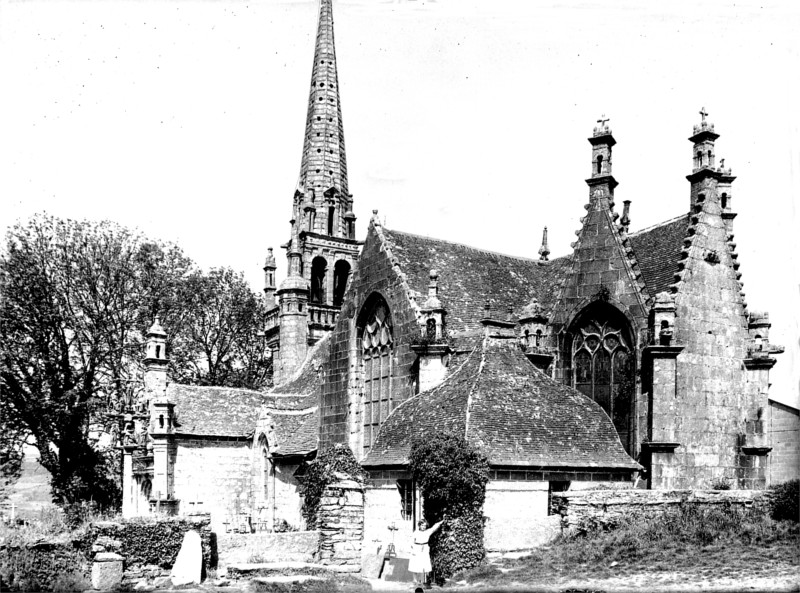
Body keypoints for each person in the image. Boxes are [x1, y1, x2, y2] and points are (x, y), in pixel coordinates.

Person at [408, 518, 444, 588]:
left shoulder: (427, 532)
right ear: (419, 525)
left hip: (424, 549)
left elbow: (434, 527)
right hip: (416, 549)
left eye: (424, 526)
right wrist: (413, 551)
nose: (423, 527)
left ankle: (421, 582)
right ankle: (414, 582)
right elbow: (411, 542)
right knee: (415, 565)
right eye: (422, 525)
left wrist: (441, 522)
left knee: (423, 566)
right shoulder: (416, 533)